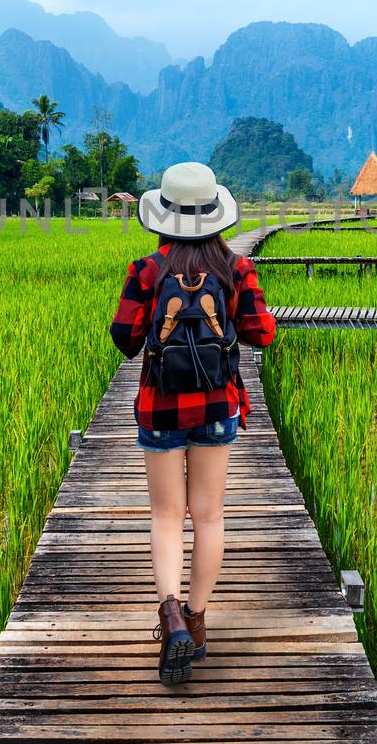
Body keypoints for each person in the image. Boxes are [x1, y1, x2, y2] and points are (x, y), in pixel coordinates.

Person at [109, 162, 277, 684]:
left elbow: (125, 338)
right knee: (208, 516)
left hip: (160, 407)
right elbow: (261, 333)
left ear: (163, 216)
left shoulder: (146, 270)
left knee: (165, 516)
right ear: (216, 217)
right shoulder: (236, 269)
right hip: (217, 406)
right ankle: (198, 624)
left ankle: (170, 616)